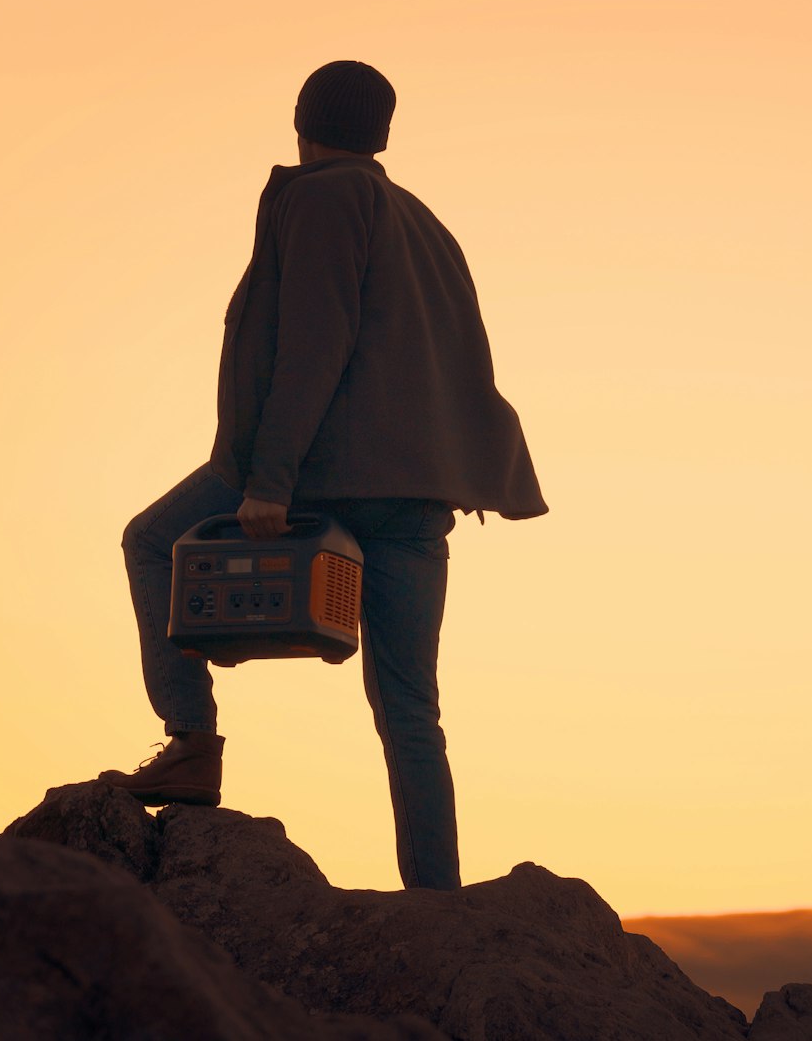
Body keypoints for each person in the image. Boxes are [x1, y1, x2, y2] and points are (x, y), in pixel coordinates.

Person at [100, 60, 547, 892]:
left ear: (302, 121)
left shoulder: (322, 196)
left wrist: (270, 482)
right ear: (382, 134)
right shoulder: (423, 222)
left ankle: (191, 743)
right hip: (417, 496)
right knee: (411, 709)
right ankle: (437, 901)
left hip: (319, 472)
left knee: (152, 541)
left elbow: (313, 342)